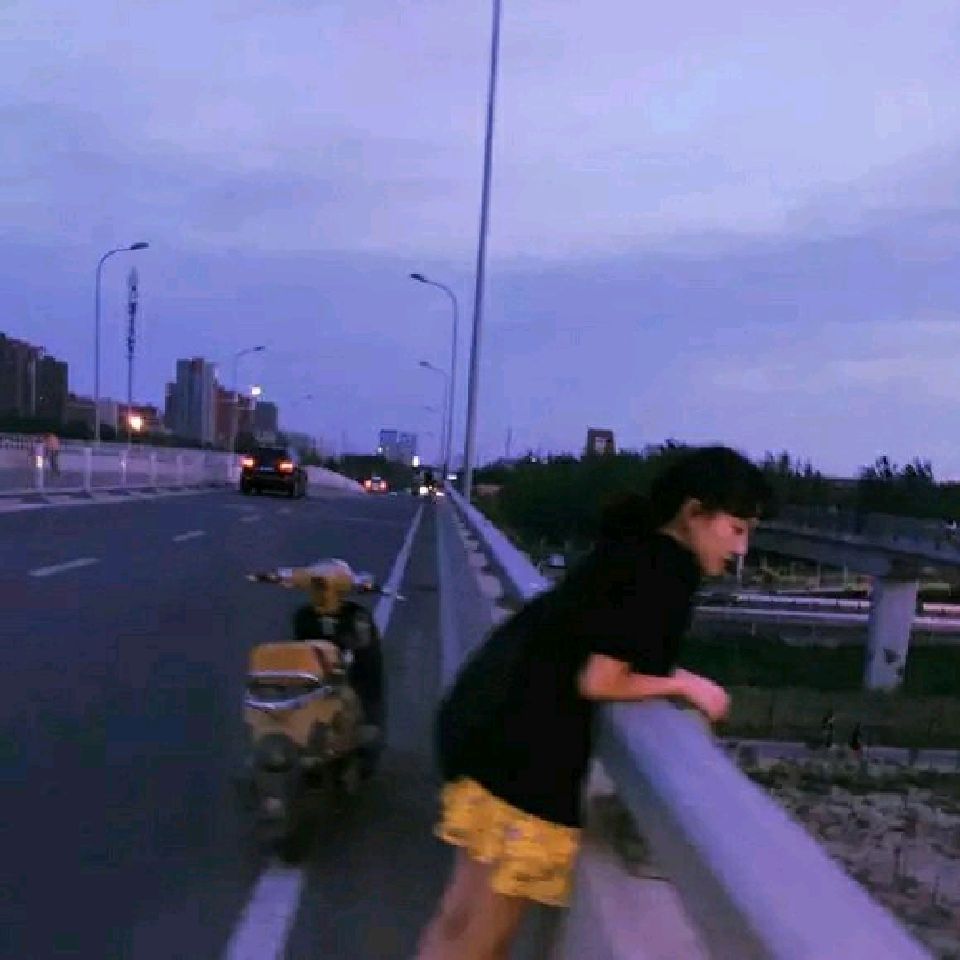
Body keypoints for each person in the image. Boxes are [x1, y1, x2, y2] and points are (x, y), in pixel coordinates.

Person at [416, 445, 772, 960]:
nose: (741, 548)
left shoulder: (633, 546)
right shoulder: (669, 571)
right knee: (481, 940)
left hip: (485, 714)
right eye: (736, 529)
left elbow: (598, 643)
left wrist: (670, 676)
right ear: (694, 513)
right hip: (529, 755)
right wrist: (686, 686)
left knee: (458, 918)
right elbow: (600, 679)